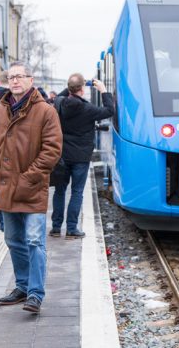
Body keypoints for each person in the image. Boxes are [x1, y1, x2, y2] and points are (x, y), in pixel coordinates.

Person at [0, 61, 62, 314]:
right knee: (13, 240)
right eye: (10, 77)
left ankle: (35, 293)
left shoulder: (45, 111)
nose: (14, 81)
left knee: (35, 241)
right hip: (4, 187)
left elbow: (52, 150)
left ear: (30, 79)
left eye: (19, 76)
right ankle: (23, 286)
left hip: (33, 189)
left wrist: (28, 179)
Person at [51, 74, 114, 238]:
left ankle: (56, 227)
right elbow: (109, 110)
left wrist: (72, 85)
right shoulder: (88, 109)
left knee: (60, 191)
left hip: (62, 155)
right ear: (82, 89)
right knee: (77, 192)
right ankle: (72, 229)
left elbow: (59, 96)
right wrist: (103, 90)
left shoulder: (59, 103)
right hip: (80, 156)